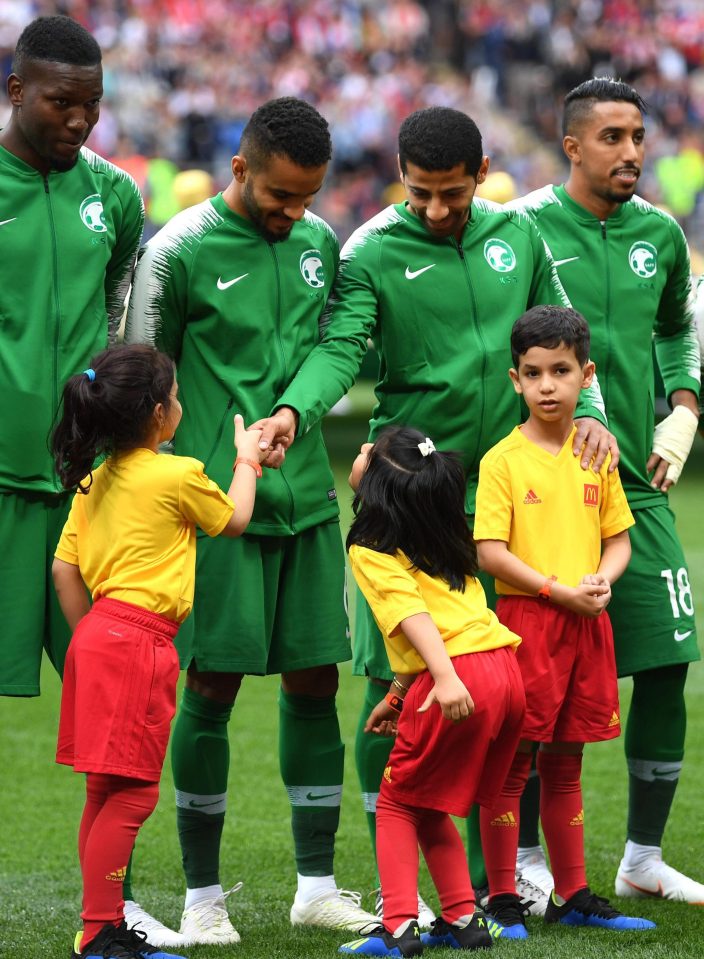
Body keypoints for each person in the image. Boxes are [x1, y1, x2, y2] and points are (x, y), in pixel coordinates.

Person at [253, 105, 614, 917]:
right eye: (420, 193)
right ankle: (399, 890)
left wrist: (595, 414)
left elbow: (564, 334)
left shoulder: (517, 237)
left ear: (481, 172)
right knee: (398, 688)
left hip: (512, 500)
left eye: (450, 193)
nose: (435, 209)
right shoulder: (374, 248)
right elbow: (342, 345)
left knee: (506, 694)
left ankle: (496, 881)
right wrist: (290, 413)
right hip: (414, 503)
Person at [124, 97, 377, 944]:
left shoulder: (315, 245)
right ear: (240, 169)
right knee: (211, 687)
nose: (293, 214)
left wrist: (290, 417)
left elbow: (333, 350)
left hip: (305, 499)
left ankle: (316, 884)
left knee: (313, 684)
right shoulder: (178, 252)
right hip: (212, 510)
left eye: (307, 198)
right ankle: (202, 896)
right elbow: (140, 375)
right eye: (278, 196)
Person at [509, 78, 702, 905]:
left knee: (668, 657)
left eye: (638, 136)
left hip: (636, 486)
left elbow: (675, 325)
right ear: (573, 146)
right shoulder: (517, 229)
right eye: (614, 137)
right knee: (533, 680)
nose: (631, 152)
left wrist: (685, 403)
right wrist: (578, 409)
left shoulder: (660, 231)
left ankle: (642, 857)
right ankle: (522, 856)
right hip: (546, 486)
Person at [50, 343, 268, 959]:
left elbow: (65, 572)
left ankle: (101, 926)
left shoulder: (91, 483)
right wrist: (245, 460)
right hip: (138, 643)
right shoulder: (178, 474)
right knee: (136, 793)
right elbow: (235, 521)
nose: (178, 403)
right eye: (173, 396)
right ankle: (100, 933)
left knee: (103, 791)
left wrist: (94, 635)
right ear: (155, 414)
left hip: (95, 638)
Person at [474, 305, 655, 937]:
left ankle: (572, 893)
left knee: (567, 761)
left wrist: (604, 576)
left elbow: (619, 538)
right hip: (528, 625)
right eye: (533, 373)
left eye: (561, 370)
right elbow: (489, 552)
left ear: (586, 375)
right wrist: (556, 590)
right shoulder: (503, 460)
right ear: (514, 381)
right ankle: (500, 899)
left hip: (585, 624)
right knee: (511, 761)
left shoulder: (594, 453)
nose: (548, 385)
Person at [338, 426, 524, 958]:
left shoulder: (370, 545)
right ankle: (464, 920)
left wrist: (441, 678)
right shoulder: (441, 533)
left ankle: (398, 931)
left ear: (375, 487)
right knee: (429, 802)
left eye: (365, 454)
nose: (358, 452)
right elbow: (451, 619)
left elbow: (414, 616)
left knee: (396, 801)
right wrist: (399, 692)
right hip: (503, 671)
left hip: (459, 675)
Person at [0, 14, 144, 699]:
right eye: (63, 103)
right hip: (1, 477)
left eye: (93, 104)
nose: (81, 120)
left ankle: (108, 814)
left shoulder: (115, 195)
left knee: (112, 688)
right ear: (16, 89)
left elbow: (115, 310)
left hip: (85, 484)